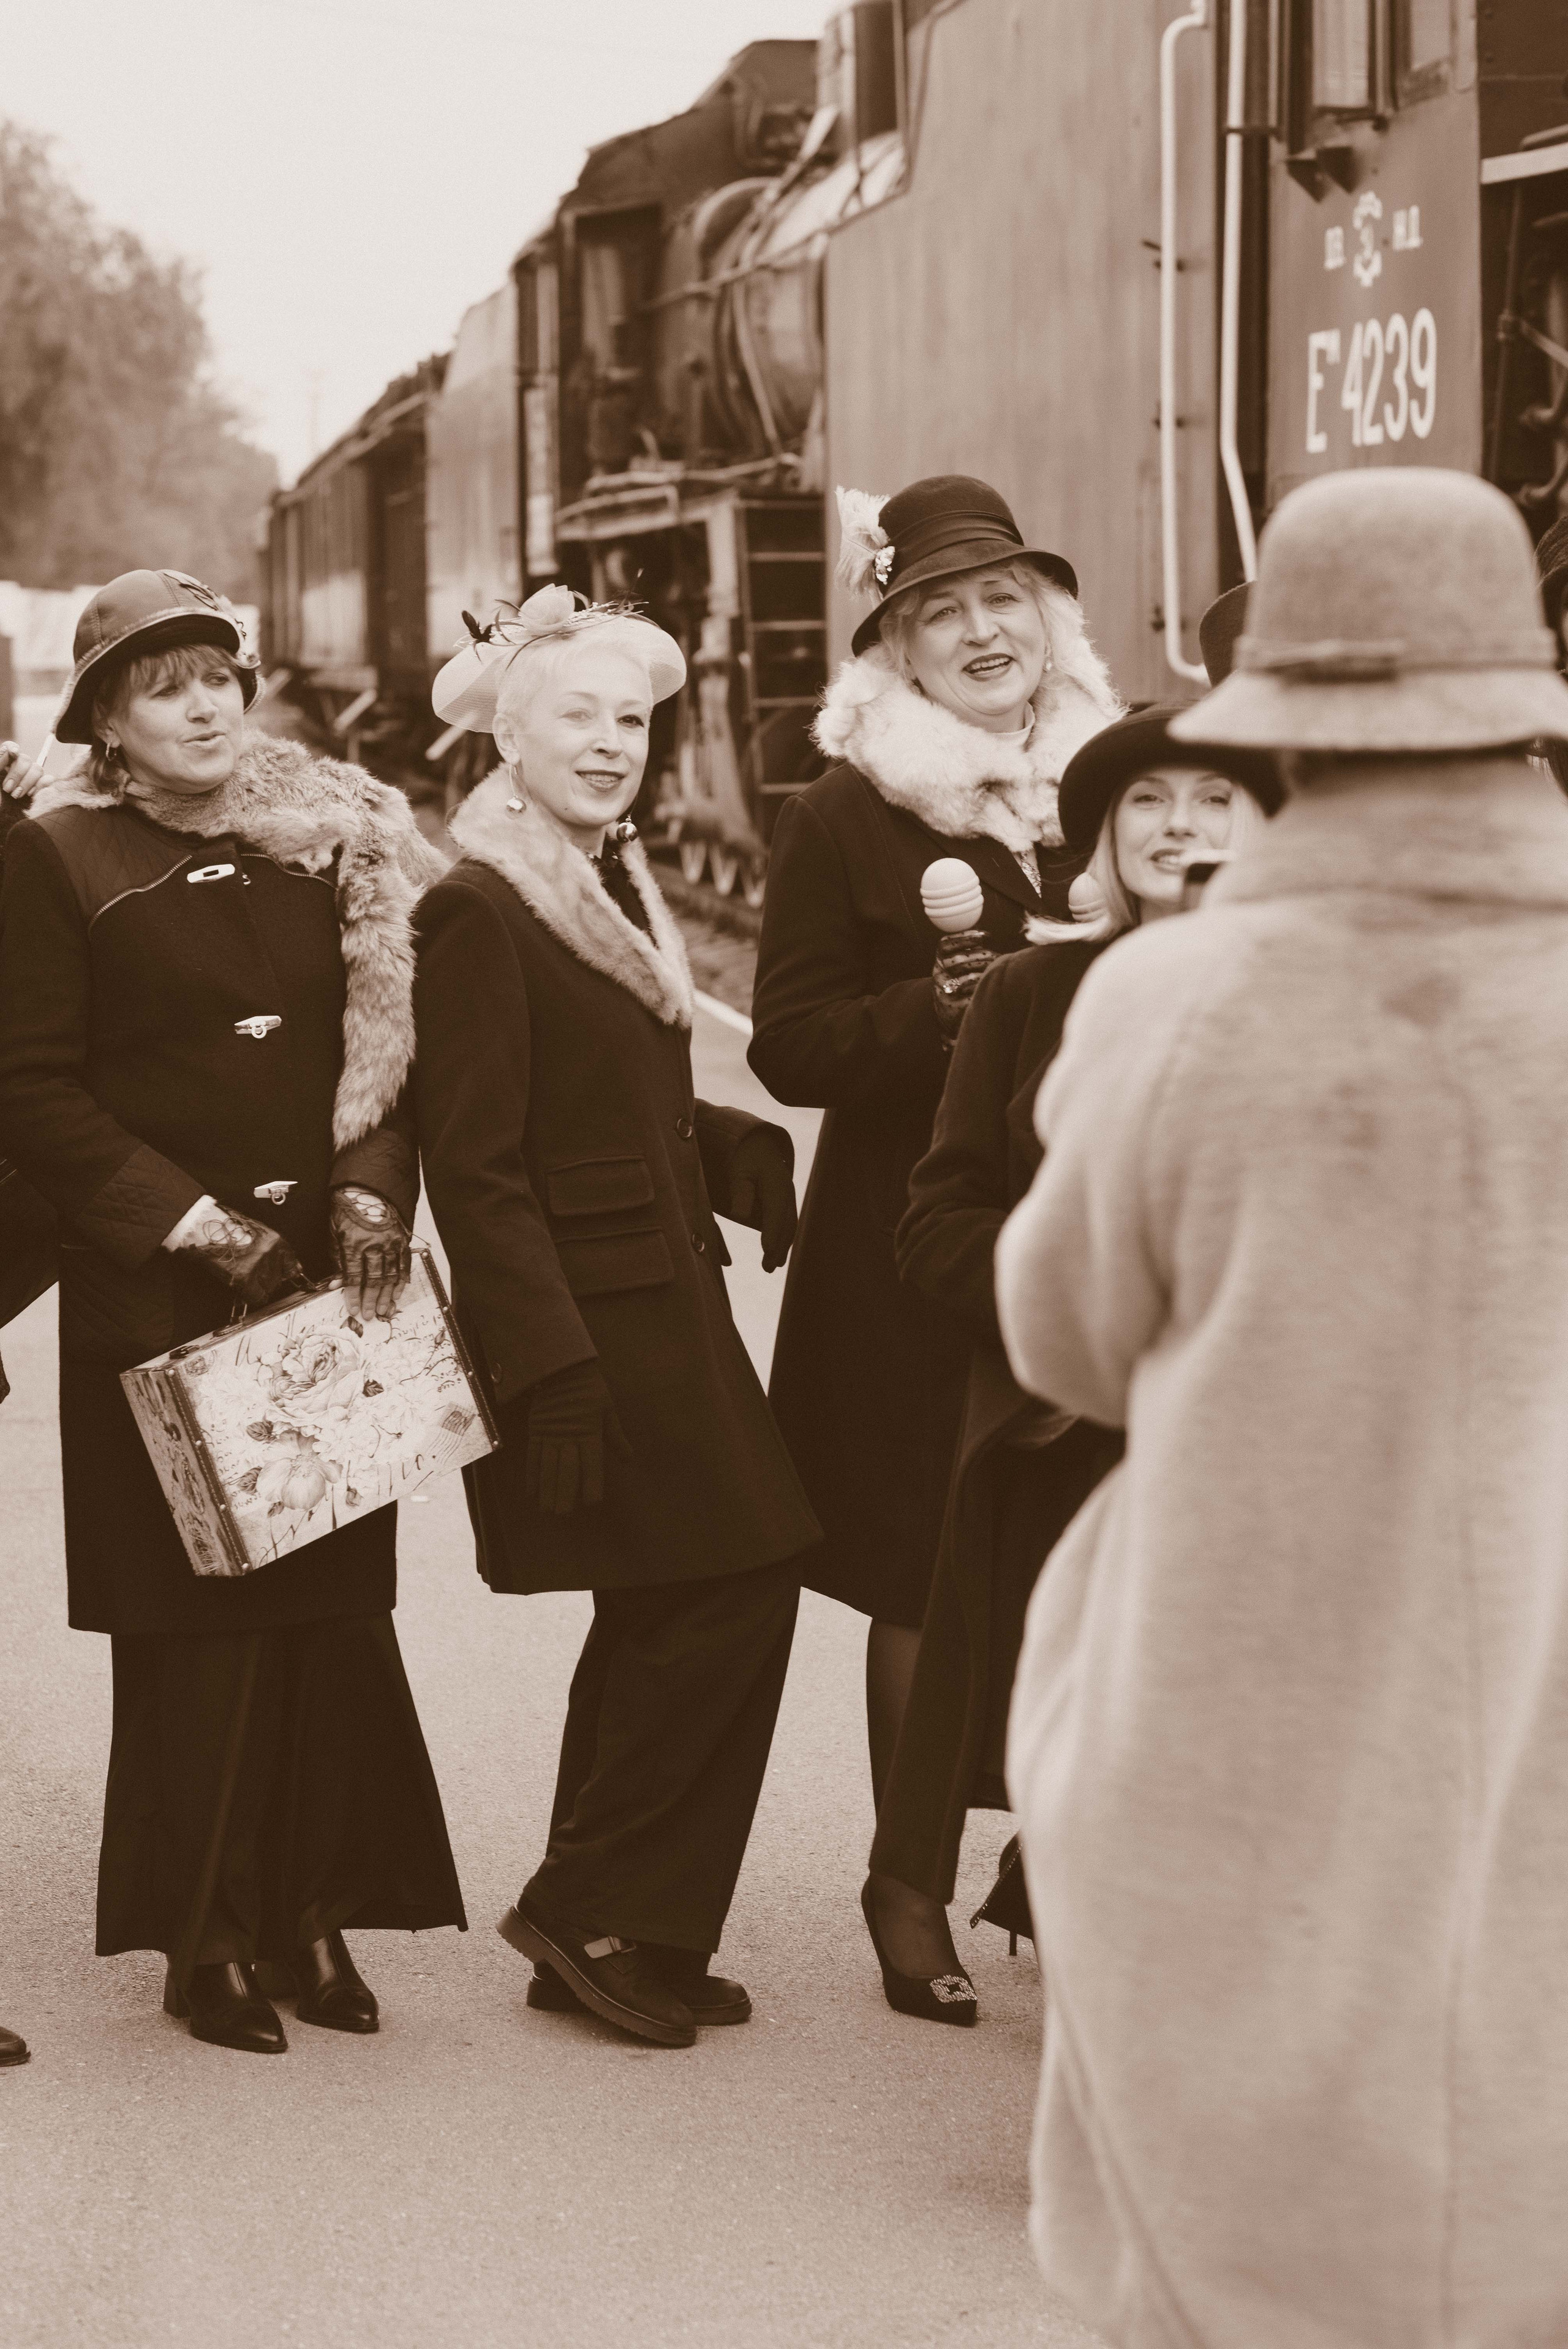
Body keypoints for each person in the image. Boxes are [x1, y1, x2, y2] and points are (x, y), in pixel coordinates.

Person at [997, 468, 1568, 2348]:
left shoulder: (1178, 998)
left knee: (1237, 2238)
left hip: (1242, 1707)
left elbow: (1066, 1344)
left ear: (1289, 735)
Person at [0, 571, 466, 2057]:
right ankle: (203, 1936)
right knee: (192, 1624)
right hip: (158, 1294)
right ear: (107, 723)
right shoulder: (57, 856)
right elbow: (29, 1087)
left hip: (319, 1284)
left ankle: (310, 1916)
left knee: (330, 1616)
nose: (205, 708)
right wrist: (194, 1221)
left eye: (218, 677)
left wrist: (372, 1197)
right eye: (164, 688)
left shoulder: (326, 838)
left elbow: (383, 1049)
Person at [411, 587, 819, 2051]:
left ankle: (635, 1926)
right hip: (594, 1324)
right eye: (575, 716)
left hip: (657, 1294)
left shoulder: (599, 873)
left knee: (674, 1600)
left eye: (631, 720)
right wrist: (548, 1369)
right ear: (508, 741)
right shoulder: (477, 905)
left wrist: (720, 1143)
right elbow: (473, 1161)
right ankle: (586, 1907)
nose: (609, 742)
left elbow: (598, 1094)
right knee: (734, 1580)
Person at [867, 705, 1280, 2019]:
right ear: (1103, 837)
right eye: (1147, 801)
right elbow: (936, 1221)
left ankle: (1084, 1903)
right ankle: (931, 1884)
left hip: (1245, 1421)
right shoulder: (1029, 994)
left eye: (1212, 799)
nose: (1179, 827)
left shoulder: (1306, 997)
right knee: (1065, 1686)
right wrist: (1074, 1291)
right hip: (1060, 1410)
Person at [748, 474, 1122, 1837]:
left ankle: (1062, 1871)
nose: (981, 632)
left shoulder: (1121, 781)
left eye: (1002, 599)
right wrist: (932, 1011)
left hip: (1095, 1227)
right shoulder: (843, 812)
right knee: (920, 1561)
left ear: (1048, 616)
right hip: (912, 1241)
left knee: (1089, 1553)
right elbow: (789, 1046)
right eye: (942, 611)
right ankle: (905, 1886)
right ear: (896, 648)